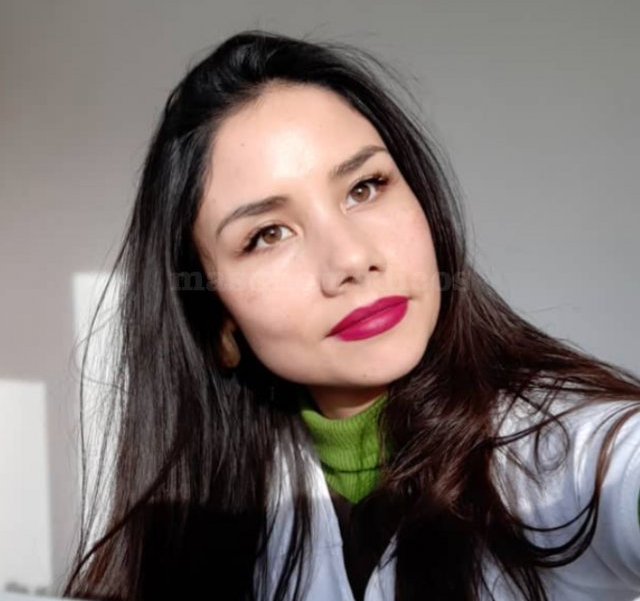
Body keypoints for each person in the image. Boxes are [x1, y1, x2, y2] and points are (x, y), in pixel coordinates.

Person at [62, 30, 640, 601]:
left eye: (365, 187)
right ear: (218, 322)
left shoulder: (578, 452)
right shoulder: (204, 515)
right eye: (268, 234)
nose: (351, 260)